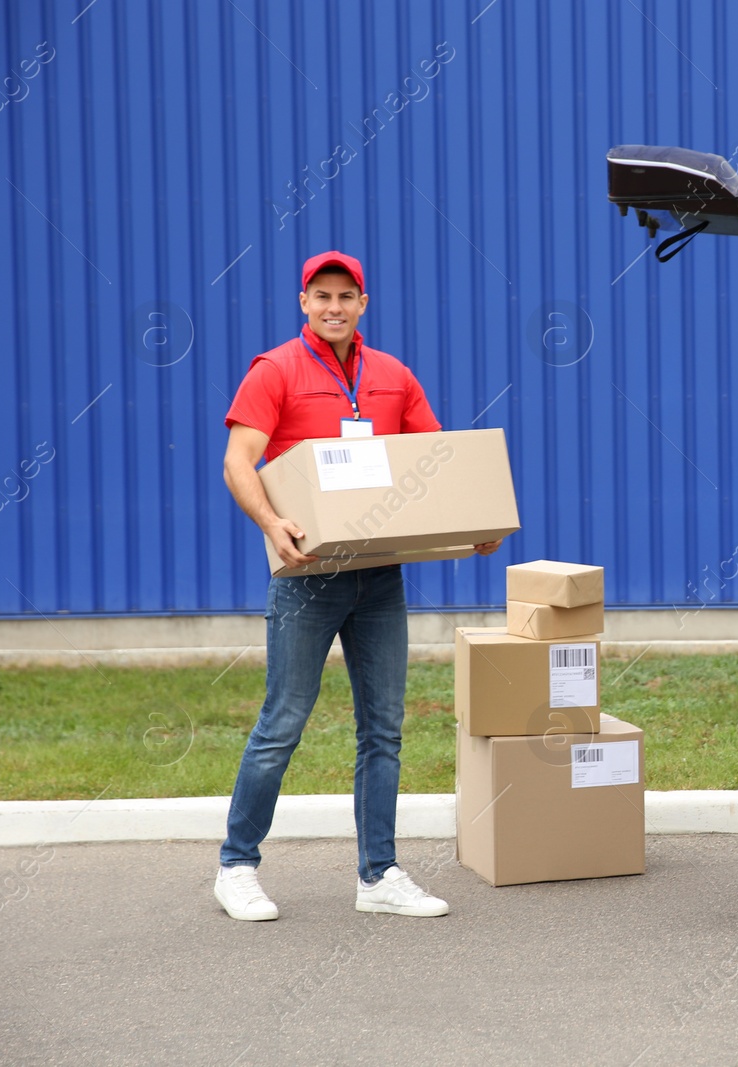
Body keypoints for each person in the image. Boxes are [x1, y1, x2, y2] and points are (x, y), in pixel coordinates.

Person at [214, 250, 501, 921]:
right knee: (283, 722)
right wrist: (270, 520)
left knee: (383, 729)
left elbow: (438, 463)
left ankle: (378, 874)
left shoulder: (392, 375)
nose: (334, 307)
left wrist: (474, 521)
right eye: (323, 296)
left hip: (378, 578)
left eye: (347, 296)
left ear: (363, 305)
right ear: (303, 302)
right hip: (309, 578)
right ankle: (236, 865)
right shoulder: (275, 370)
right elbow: (237, 460)